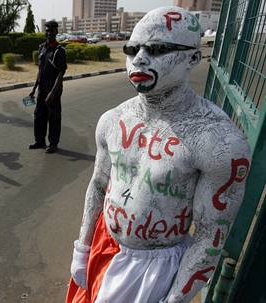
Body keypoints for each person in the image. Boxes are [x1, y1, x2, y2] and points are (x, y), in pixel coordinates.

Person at [66, 6, 250, 303]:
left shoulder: (218, 141)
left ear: (193, 57)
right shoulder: (112, 120)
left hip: (155, 269)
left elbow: (209, 234)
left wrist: (177, 296)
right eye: (132, 48)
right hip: (104, 246)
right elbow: (99, 186)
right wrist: (82, 249)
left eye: (157, 49)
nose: (139, 58)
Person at [28, 20, 67, 154]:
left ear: (56, 31)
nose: (49, 32)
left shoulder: (59, 50)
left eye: (52, 30)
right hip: (42, 89)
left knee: (54, 117)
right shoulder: (42, 48)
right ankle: (39, 141)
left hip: (53, 90)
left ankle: (53, 144)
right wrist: (34, 88)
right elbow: (40, 70)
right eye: (47, 30)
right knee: (39, 115)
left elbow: (61, 73)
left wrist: (52, 93)